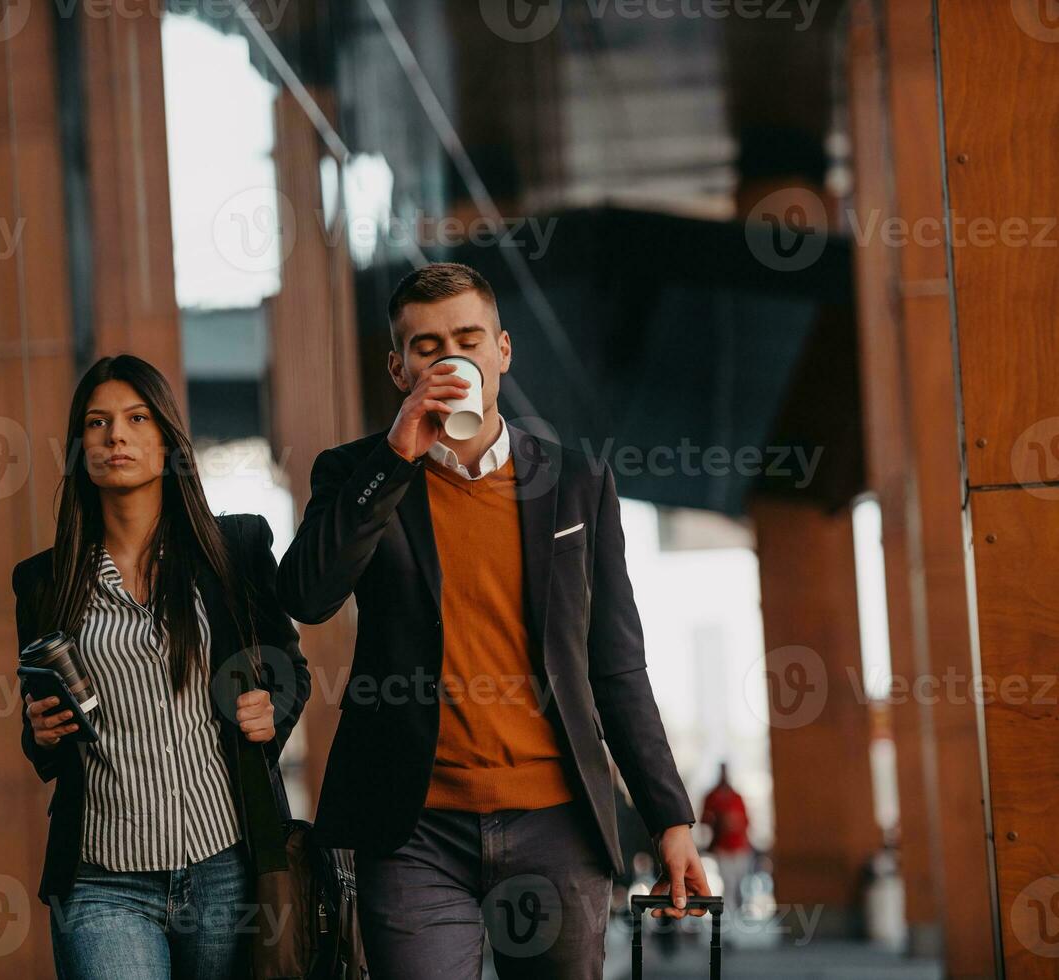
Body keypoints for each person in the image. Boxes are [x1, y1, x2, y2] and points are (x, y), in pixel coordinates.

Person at [277, 262, 709, 979]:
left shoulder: (576, 483)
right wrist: (394, 457)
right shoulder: (357, 473)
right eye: (426, 347)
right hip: (411, 830)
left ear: (502, 351)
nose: (450, 358)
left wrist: (670, 817)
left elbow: (616, 664)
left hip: (555, 822)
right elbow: (308, 593)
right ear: (398, 366)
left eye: (468, 338)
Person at [13, 354, 311, 980]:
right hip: (102, 881)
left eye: (135, 418)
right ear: (79, 448)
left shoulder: (235, 550)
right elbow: (44, 732)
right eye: (96, 423)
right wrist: (38, 732)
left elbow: (289, 671)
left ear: (167, 440)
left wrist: (269, 710)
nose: (114, 435)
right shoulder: (44, 583)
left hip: (224, 865)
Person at [700, 762, 753, 915]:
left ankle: (739, 915)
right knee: (728, 884)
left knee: (738, 885)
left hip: (739, 848)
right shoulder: (712, 797)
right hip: (722, 848)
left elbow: (746, 822)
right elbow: (704, 819)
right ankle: (729, 917)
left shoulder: (737, 797)